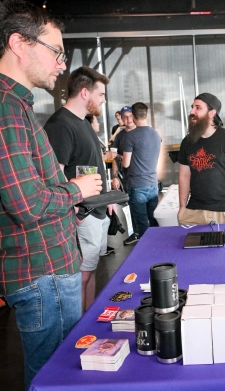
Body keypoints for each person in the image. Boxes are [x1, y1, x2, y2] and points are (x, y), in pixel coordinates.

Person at [0, 0, 102, 390]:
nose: (62, 65)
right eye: (56, 52)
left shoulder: (6, 104)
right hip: (41, 268)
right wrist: (76, 189)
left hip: (43, 265)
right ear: (20, 44)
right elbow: (28, 204)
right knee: (54, 376)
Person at [44, 66, 114, 313]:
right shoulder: (60, 125)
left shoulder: (82, 122)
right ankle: (77, 332)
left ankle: (88, 323)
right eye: (101, 94)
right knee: (81, 276)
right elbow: (55, 173)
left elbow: (91, 166)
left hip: (96, 210)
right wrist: (74, 210)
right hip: (81, 215)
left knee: (89, 271)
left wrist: (108, 198)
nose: (103, 100)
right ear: (85, 93)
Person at [177, 93, 225, 225]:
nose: (192, 111)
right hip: (194, 210)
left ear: (211, 113)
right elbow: (184, 176)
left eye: (198, 108)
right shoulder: (187, 141)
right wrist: (182, 207)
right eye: (192, 107)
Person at [120, 102, 161, 240]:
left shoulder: (130, 136)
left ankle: (145, 251)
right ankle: (158, 248)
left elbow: (126, 164)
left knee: (142, 222)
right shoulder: (156, 134)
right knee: (154, 220)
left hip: (137, 184)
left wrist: (118, 158)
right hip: (153, 183)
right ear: (146, 114)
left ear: (133, 116)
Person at [111, 105, 139, 245]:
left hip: (144, 176)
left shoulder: (142, 132)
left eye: (130, 116)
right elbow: (115, 157)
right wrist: (114, 176)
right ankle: (134, 233)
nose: (128, 119)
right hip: (128, 177)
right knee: (131, 206)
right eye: (125, 117)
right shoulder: (120, 137)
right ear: (121, 119)